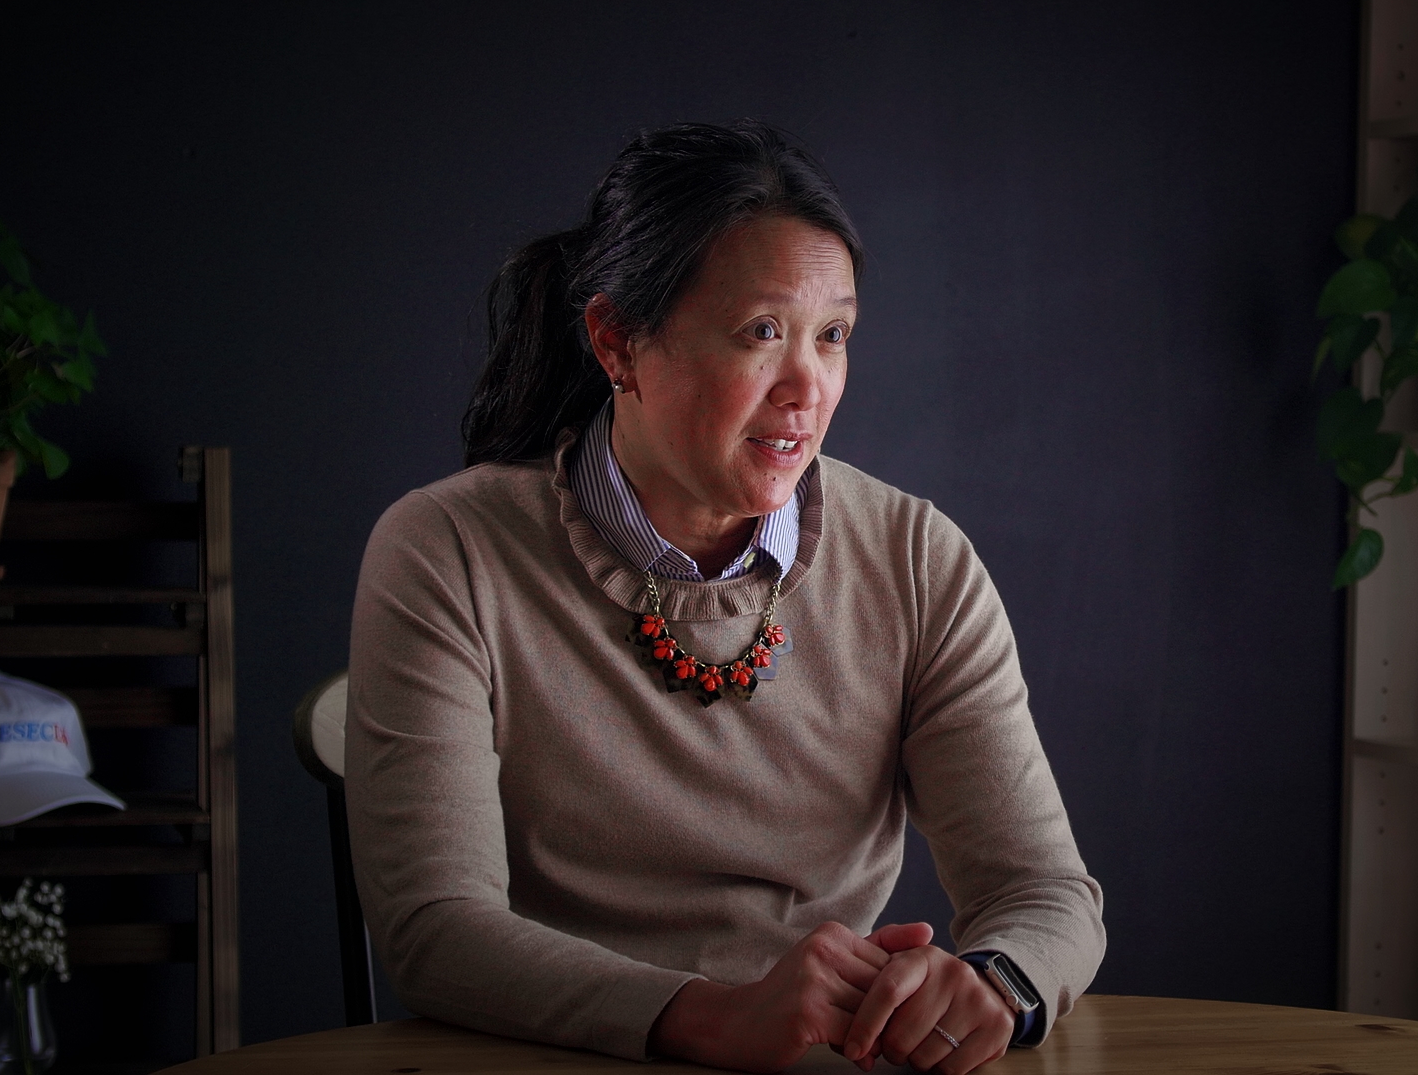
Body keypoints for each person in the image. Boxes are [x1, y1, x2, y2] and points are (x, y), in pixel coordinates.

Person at [345, 120, 1104, 1075]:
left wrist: (996, 984)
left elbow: (1044, 893)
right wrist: (712, 1017)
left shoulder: (916, 559)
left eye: (833, 337)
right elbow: (436, 930)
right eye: (762, 333)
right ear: (617, 342)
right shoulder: (447, 551)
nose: (807, 388)